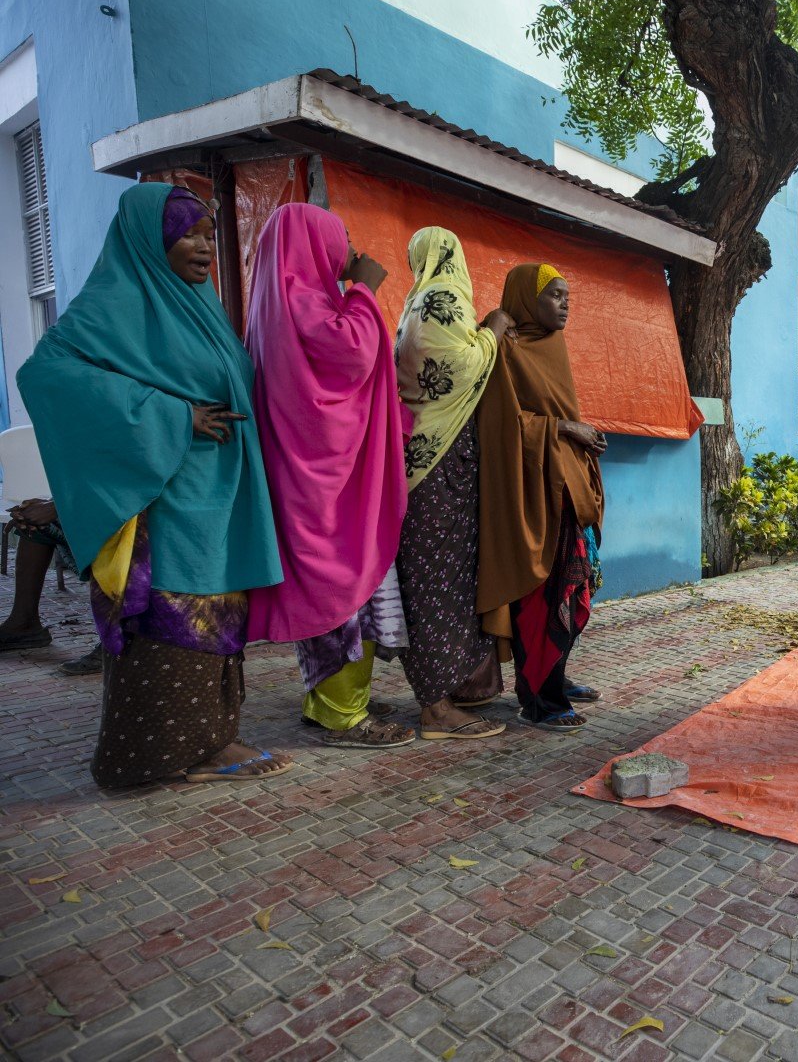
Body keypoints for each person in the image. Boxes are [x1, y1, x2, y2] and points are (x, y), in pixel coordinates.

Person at [16, 183, 290, 786]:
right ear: (149, 238)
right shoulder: (115, 302)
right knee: (172, 620)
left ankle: (212, 740)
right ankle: (150, 756)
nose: (203, 248)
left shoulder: (199, 305)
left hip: (219, 498)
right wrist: (172, 415)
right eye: (187, 233)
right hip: (161, 502)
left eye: (208, 235)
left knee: (220, 617)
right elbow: (46, 375)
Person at [245, 204, 503, 747]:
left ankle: (326, 699)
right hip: (327, 479)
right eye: (339, 237)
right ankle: (344, 713)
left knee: (323, 583)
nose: (349, 248)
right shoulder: (309, 302)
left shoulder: (273, 303)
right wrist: (363, 289)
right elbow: (356, 355)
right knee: (339, 586)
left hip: (301, 470)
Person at [477, 263, 605, 731]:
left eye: (567, 295)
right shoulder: (503, 351)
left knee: (572, 589)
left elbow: (553, 410)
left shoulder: (554, 346)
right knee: (541, 598)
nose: (565, 303)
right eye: (554, 295)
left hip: (567, 487)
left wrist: (581, 434)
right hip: (529, 495)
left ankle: (557, 677)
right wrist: (566, 429)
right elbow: (500, 428)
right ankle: (538, 699)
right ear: (529, 300)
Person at [392, 227, 510, 723]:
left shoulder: (409, 307)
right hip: (444, 465)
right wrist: (493, 331)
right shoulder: (444, 299)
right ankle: (436, 706)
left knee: (430, 581)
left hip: (419, 460)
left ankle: (448, 690)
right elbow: (460, 367)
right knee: (442, 583)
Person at [0, 499, 100, 672]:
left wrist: (58, 507)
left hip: (141, 514)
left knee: (131, 541)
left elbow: (134, 484)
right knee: (35, 524)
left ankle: (120, 642)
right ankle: (23, 623)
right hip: (100, 503)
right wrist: (45, 507)